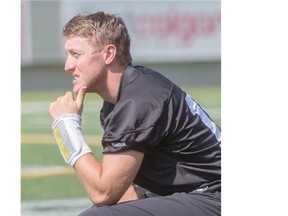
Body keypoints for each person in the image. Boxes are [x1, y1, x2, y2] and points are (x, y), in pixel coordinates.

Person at [49, 11, 221, 216]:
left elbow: (103, 192)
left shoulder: (138, 99)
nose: (68, 66)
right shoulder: (121, 100)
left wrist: (66, 127)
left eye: (76, 55)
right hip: (198, 194)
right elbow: (125, 192)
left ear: (109, 54)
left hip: (213, 196)